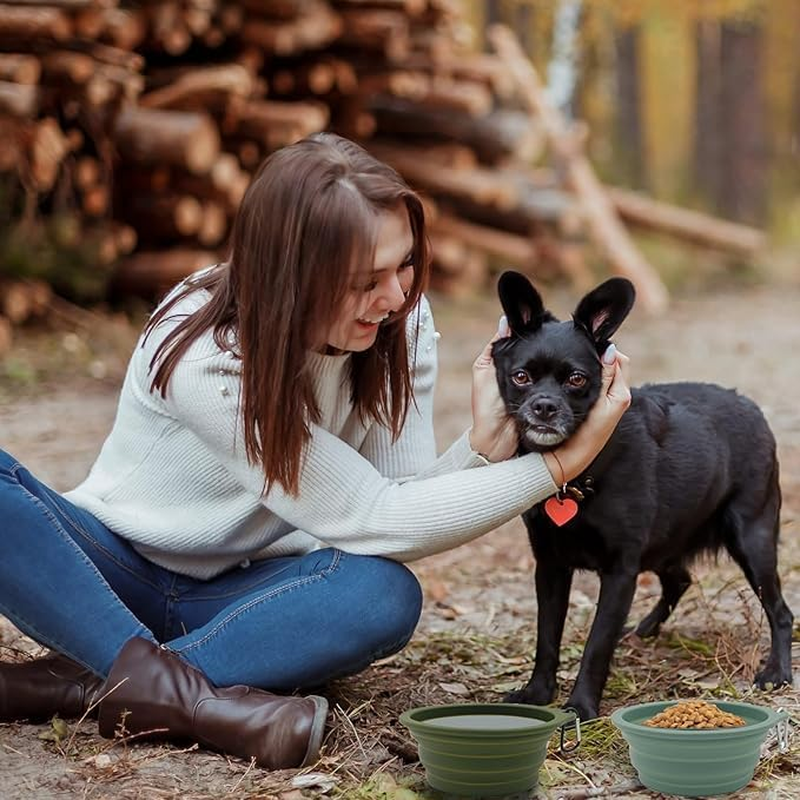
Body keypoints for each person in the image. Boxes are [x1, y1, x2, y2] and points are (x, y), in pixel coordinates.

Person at [0, 133, 631, 769]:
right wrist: (555, 467)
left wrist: (485, 448)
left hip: (252, 595)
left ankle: (92, 681)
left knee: (382, 595)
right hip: (110, 574)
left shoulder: (399, 323)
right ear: (292, 276)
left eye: (404, 265)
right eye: (366, 280)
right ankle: (177, 693)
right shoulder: (204, 347)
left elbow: (396, 513)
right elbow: (370, 514)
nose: (393, 296)